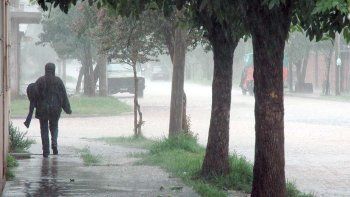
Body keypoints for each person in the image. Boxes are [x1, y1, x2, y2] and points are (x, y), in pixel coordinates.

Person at [35, 63, 72, 157]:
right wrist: (67, 108)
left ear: (45, 69)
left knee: (44, 129)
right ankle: (54, 143)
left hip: (42, 109)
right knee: (54, 126)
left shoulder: (40, 81)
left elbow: (34, 95)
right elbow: (63, 95)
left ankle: (46, 151)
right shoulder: (58, 81)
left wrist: (35, 106)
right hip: (55, 108)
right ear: (54, 70)